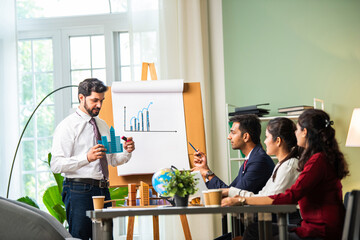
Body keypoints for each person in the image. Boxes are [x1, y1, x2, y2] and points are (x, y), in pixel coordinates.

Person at [222, 109, 350, 240]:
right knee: (254, 230)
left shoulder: (317, 161)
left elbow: (290, 196)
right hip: (313, 227)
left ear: (304, 132)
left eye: (297, 129)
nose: (295, 133)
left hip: (321, 232)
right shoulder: (318, 159)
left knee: (254, 232)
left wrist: (242, 200)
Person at [51, 78, 135, 240]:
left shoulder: (102, 125)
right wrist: (86, 158)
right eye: (94, 100)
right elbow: (56, 164)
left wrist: (126, 151)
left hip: (103, 189)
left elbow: (113, 160)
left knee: (105, 237)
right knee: (80, 237)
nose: (99, 105)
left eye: (101, 101)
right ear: (81, 98)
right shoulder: (67, 126)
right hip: (78, 190)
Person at [192, 114, 274, 194]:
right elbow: (230, 190)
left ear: (245, 137)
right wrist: (206, 169)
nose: (229, 137)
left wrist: (207, 173)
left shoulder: (259, 160)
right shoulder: (252, 158)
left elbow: (234, 194)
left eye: (233, 133)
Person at [223, 117, 300, 199]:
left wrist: (235, 195)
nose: (264, 141)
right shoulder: (281, 165)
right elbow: (263, 195)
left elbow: (270, 199)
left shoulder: (288, 167)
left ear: (278, 141)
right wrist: (230, 192)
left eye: (267, 137)